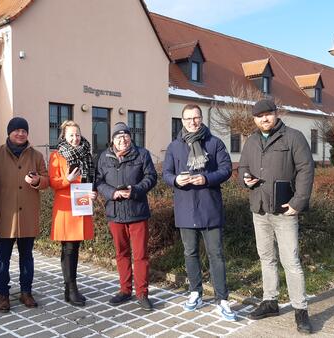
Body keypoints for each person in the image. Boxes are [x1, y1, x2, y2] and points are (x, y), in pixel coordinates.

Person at [238, 98, 314, 334]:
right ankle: (270, 301)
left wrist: (298, 202)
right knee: (266, 258)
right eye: (259, 116)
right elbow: (242, 168)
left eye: (267, 114)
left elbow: (306, 169)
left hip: (284, 209)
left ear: (275, 114)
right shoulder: (251, 140)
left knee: (290, 261)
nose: (264, 119)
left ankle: (300, 310)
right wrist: (245, 179)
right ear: (254, 119)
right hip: (259, 209)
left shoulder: (293, 137)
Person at [162, 104, 236, 321]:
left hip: (209, 206)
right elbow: (166, 173)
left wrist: (206, 178)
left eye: (196, 118)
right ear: (182, 120)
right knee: (190, 253)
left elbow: (226, 169)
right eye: (188, 119)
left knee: (216, 254)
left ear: (201, 118)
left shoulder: (214, 143)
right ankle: (196, 292)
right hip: (185, 207)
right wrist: (175, 179)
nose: (192, 122)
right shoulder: (174, 146)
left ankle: (222, 299)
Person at [0, 117, 49, 313]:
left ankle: (26, 292)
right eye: (16, 130)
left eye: (24, 131)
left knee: (27, 256)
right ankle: (3, 294)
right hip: (5, 216)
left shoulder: (36, 156)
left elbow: (46, 180)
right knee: (2, 258)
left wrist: (38, 180)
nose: (20, 134)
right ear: (9, 132)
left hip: (28, 215)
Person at [95, 122, 157, 311]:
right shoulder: (104, 157)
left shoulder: (142, 154)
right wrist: (112, 193)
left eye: (126, 136)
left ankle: (142, 293)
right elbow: (98, 180)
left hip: (137, 211)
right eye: (118, 137)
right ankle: (124, 290)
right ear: (112, 140)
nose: (123, 140)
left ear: (131, 137)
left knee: (140, 255)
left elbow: (151, 177)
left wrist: (135, 190)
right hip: (115, 212)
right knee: (121, 253)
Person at [49, 120, 97, 306]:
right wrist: (67, 179)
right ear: (64, 137)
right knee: (68, 248)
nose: (75, 138)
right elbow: (53, 183)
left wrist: (92, 193)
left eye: (77, 134)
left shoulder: (86, 153)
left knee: (75, 248)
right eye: (71, 135)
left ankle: (71, 288)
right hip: (66, 207)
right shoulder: (57, 155)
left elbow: (90, 180)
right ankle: (70, 288)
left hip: (82, 204)